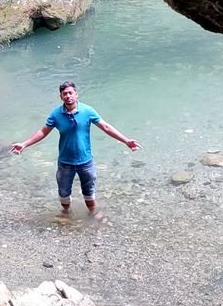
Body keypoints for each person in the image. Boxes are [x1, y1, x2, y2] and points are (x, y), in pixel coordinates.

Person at [10, 81, 140, 219]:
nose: (68, 96)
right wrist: (24, 144)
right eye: (64, 94)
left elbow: (106, 127)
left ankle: (92, 212)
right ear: (61, 97)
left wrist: (126, 140)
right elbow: (43, 132)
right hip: (65, 161)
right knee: (64, 192)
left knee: (89, 190)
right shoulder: (56, 114)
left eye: (70, 93)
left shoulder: (88, 111)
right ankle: (66, 212)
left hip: (86, 160)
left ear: (76, 94)